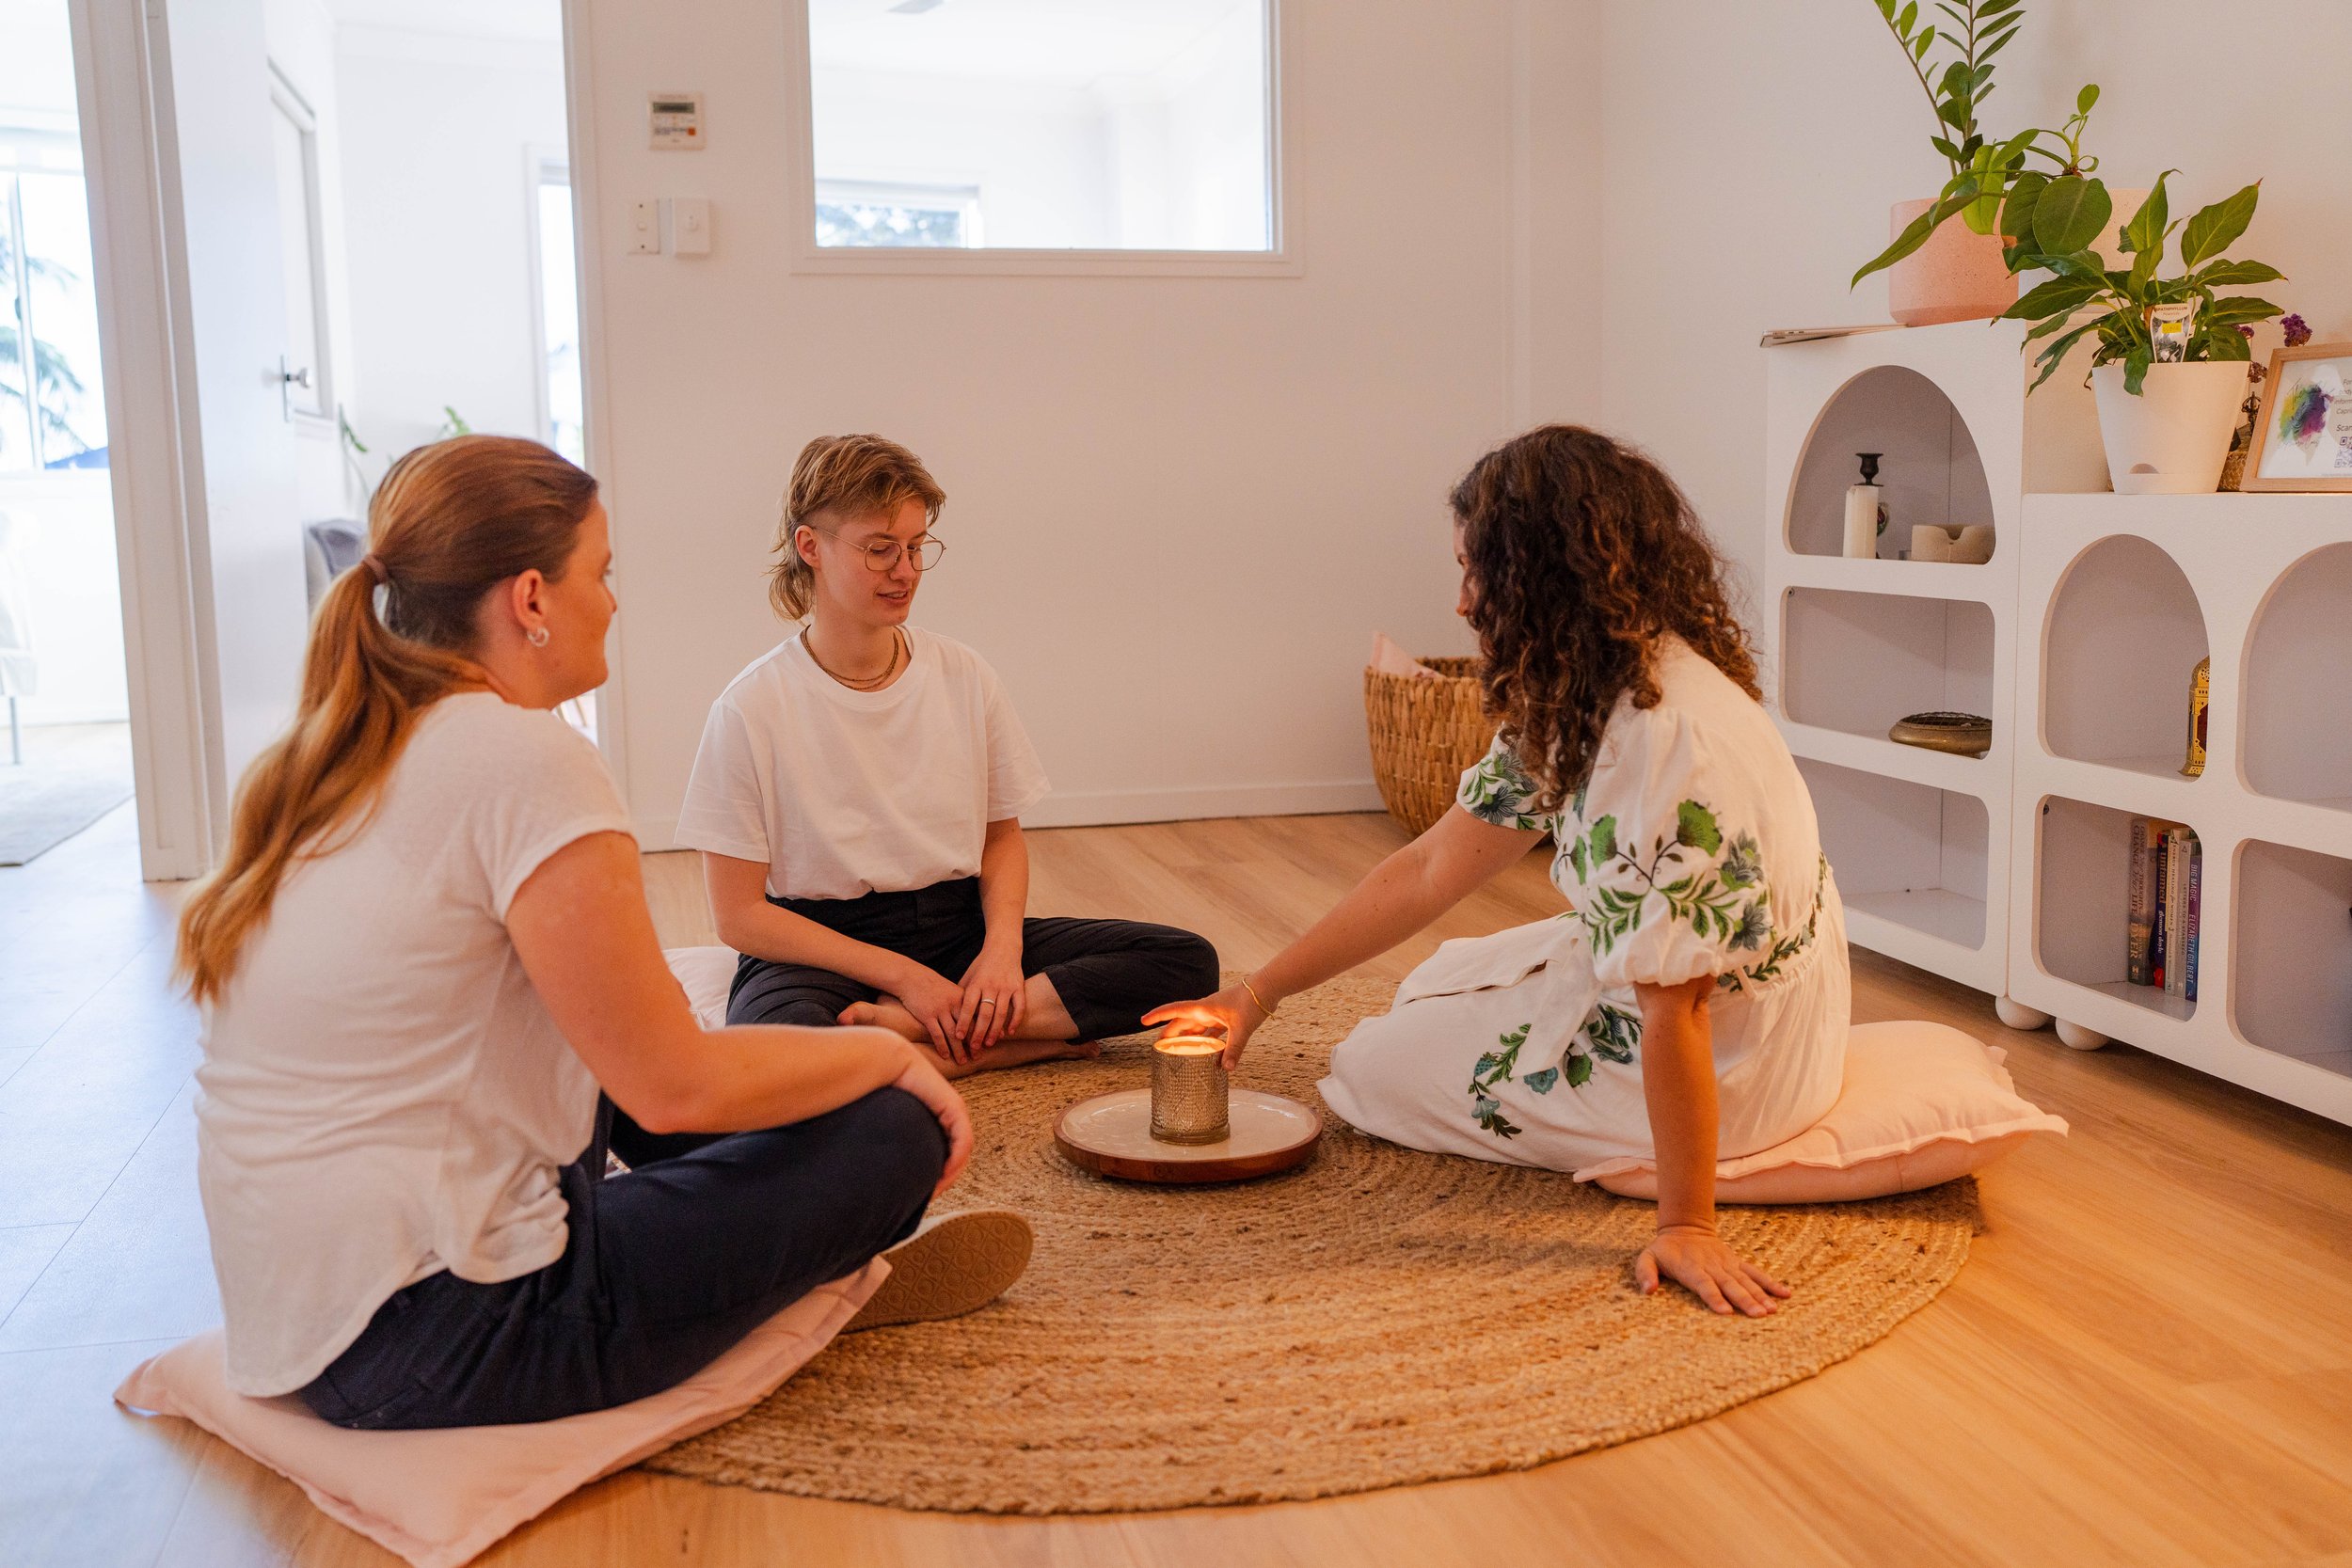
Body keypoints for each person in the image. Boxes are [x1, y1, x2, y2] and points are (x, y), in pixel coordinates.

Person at [177, 436, 1027, 1431]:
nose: (615, 600)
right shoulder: (526, 759)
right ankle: (806, 1282)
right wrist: (887, 1062)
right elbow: (674, 1086)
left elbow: (635, 1071)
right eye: (602, 572)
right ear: (532, 599)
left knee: (651, 1059)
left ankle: (781, 1254)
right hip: (448, 1335)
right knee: (892, 1134)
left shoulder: (327, 751)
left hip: (296, 1319)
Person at [1149, 426, 1850, 1319]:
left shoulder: (1666, 745)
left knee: (1368, 1066)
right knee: (1439, 979)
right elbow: (1433, 864)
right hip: (1734, 996)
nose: (1462, 602)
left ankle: (1682, 1169)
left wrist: (1689, 1223)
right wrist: (1258, 994)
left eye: (1475, 572)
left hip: (1745, 1057)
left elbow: (1681, 1008)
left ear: (1541, 576)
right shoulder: (1598, 677)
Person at [675, 433, 1219, 1082]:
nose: (905, 570)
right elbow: (739, 915)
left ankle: (917, 1043)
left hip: (955, 928)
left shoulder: (964, 675)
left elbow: (1002, 839)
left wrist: (1000, 951)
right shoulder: (750, 708)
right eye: (880, 549)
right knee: (778, 1054)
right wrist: (906, 978)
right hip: (820, 950)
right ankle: (1012, 1041)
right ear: (810, 546)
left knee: (1187, 962)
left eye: (915, 546)